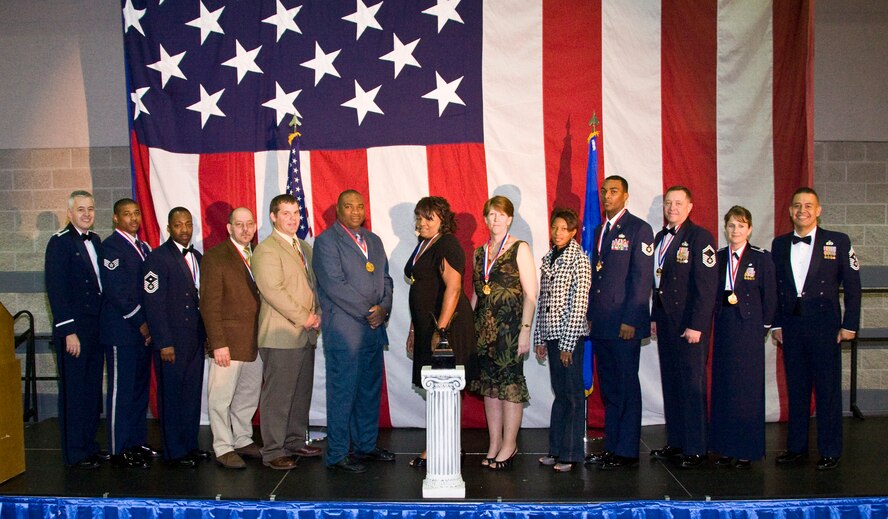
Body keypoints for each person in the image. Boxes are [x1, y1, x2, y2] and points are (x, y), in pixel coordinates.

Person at [771, 187, 861, 471]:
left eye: (808, 206)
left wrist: (850, 324)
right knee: (796, 390)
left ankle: (830, 450)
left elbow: (854, 287)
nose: (802, 211)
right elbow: (775, 289)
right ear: (790, 211)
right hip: (792, 327)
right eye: (797, 206)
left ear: (819, 210)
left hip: (826, 328)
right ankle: (796, 448)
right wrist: (776, 323)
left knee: (827, 391)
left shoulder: (839, 241)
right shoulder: (779, 244)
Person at [313, 190, 395, 474]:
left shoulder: (374, 240)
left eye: (360, 206)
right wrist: (369, 312)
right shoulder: (326, 242)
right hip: (345, 332)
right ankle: (337, 454)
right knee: (343, 393)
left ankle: (365, 446)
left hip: (372, 331)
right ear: (338, 210)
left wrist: (383, 308)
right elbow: (334, 285)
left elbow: (386, 278)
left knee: (369, 392)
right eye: (349, 206)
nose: (356, 211)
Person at [584, 176, 654, 470]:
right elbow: (598, 277)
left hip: (623, 324)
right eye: (604, 191)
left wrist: (631, 320)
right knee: (610, 388)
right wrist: (590, 315)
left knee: (626, 387)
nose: (607, 196)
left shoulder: (639, 228)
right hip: (602, 323)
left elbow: (641, 279)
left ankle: (627, 451)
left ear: (626, 195)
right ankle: (612, 446)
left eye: (614, 191)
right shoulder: (602, 228)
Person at [404, 196, 475, 468]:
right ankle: (443, 444)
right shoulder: (424, 244)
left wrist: (441, 330)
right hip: (427, 326)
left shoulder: (447, 244)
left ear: (443, 221)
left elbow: (454, 289)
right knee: (435, 390)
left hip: (448, 327)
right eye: (419, 217)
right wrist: (414, 327)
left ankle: (445, 447)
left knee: (444, 389)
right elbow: (420, 288)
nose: (422, 222)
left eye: (428, 218)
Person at [649, 186, 718, 468]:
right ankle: (676, 442)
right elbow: (658, 283)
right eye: (668, 203)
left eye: (678, 203)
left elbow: (707, 286)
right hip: (666, 322)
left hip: (690, 325)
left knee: (691, 386)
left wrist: (697, 325)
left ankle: (696, 447)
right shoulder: (659, 237)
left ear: (690, 206)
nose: (672, 207)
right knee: (672, 383)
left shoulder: (700, 237)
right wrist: (655, 317)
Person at [467, 195, 537, 471]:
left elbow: (531, 294)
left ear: (510, 218)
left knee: (509, 388)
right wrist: (470, 329)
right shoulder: (478, 253)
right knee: (490, 390)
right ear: (485, 219)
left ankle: (510, 443)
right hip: (483, 332)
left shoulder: (519, 248)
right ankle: (494, 442)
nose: (495, 220)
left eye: (500, 215)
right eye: (490, 215)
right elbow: (476, 293)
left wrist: (525, 330)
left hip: (510, 331)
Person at [253, 194, 322, 471]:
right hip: (281, 334)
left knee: (300, 393)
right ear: (273, 217)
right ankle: (272, 451)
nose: (293, 218)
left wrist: (317, 314)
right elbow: (273, 291)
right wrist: (305, 316)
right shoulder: (266, 250)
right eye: (286, 213)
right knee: (278, 396)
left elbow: (312, 287)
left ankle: (294, 440)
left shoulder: (304, 247)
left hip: (305, 334)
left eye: (296, 213)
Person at [709, 205, 777, 469]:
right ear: (725, 229)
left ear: (749, 229)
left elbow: (770, 296)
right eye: (731, 225)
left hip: (749, 328)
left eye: (740, 225)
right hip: (725, 325)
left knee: (747, 390)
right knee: (725, 387)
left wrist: (764, 326)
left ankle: (746, 450)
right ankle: (725, 448)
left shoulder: (761, 258)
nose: (735, 230)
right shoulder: (718, 257)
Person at [143, 207, 209, 467]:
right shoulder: (157, 259)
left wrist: (205, 336)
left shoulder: (198, 257)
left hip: (194, 338)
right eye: (178, 225)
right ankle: (174, 451)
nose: (184, 229)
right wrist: (164, 342)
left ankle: (190, 445)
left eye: (188, 224)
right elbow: (153, 303)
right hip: (172, 340)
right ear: (168, 228)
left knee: (191, 394)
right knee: (172, 396)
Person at [44, 190, 105, 469]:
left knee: (91, 391)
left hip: (95, 329)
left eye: (90, 209)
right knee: (75, 393)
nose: (87, 214)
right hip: (74, 332)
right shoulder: (59, 243)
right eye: (81, 209)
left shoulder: (96, 240)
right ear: (70, 213)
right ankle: (75, 453)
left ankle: (89, 445)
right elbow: (57, 291)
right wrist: (68, 330)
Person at [199, 207, 263, 469]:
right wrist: (218, 344)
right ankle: (223, 446)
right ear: (229, 228)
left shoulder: (258, 254)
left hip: (255, 341)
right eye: (239, 224)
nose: (245, 229)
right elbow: (209, 305)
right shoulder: (215, 257)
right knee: (221, 398)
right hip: (227, 342)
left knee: (247, 396)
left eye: (249, 224)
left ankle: (242, 438)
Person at [100, 198, 158, 469]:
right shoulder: (111, 246)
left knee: (137, 390)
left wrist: (150, 324)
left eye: (136, 213)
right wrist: (140, 321)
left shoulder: (144, 247)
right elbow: (116, 291)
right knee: (121, 392)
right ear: (115, 218)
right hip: (122, 332)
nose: (133, 218)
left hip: (143, 333)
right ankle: (118, 448)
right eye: (127, 214)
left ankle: (135, 442)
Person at [533, 208, 590, 473]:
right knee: (560, 395)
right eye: (554, 228)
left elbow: (579, 305)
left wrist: (568, 344)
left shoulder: (579, 260)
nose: (557, 233)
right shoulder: (548, 258)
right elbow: (542, 301)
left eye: (563, 229)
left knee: (573, 395)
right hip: (551, 333)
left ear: (574, 231)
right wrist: (539, 337)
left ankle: (571, 453)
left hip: (570, 337)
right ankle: (555, 450)